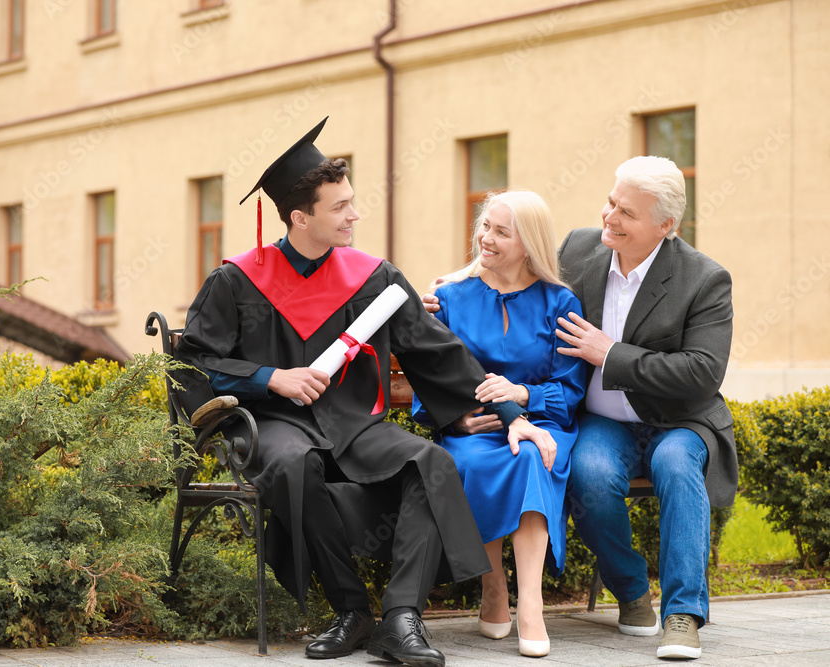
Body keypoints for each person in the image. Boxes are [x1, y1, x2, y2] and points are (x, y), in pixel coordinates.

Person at [174, 117, 555, 667]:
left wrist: (508, 409)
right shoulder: (237, 281)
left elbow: (436, 352)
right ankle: (352, 611)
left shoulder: (372, 278)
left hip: (352, 424)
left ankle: (402, 619)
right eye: (340, 207)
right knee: (292, 464)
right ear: (300, 217)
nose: (355, 214)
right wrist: (269, 378)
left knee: (429, 462)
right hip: (271, 423)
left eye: (353, 202)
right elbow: (192, 363)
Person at [554, 156, 736, 660]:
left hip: (679, 421)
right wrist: (453, 290)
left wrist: (610, 354)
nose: (610, 217)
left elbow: (702, 371)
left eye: (626, 213)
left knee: (677, 466)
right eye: (611, 202)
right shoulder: (577, 247)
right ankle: (632, 592)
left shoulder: (704, 279)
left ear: (665, 226)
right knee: (587, 472)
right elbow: (520, 280)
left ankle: (683, 614)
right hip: (604, 422)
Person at [414, 190, 585, 658]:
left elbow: (570, 391)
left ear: (528, 243)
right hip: (473, 429)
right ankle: (494, 588)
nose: (485, 238)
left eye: (501, 232)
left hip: (541, 423)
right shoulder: (449, 297)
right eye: (485, 226)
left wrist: (522, 394)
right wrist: (457, 418)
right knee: (471, 461)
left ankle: (530, 602)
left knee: (530, 455)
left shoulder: (560, 302)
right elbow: (431, 379)